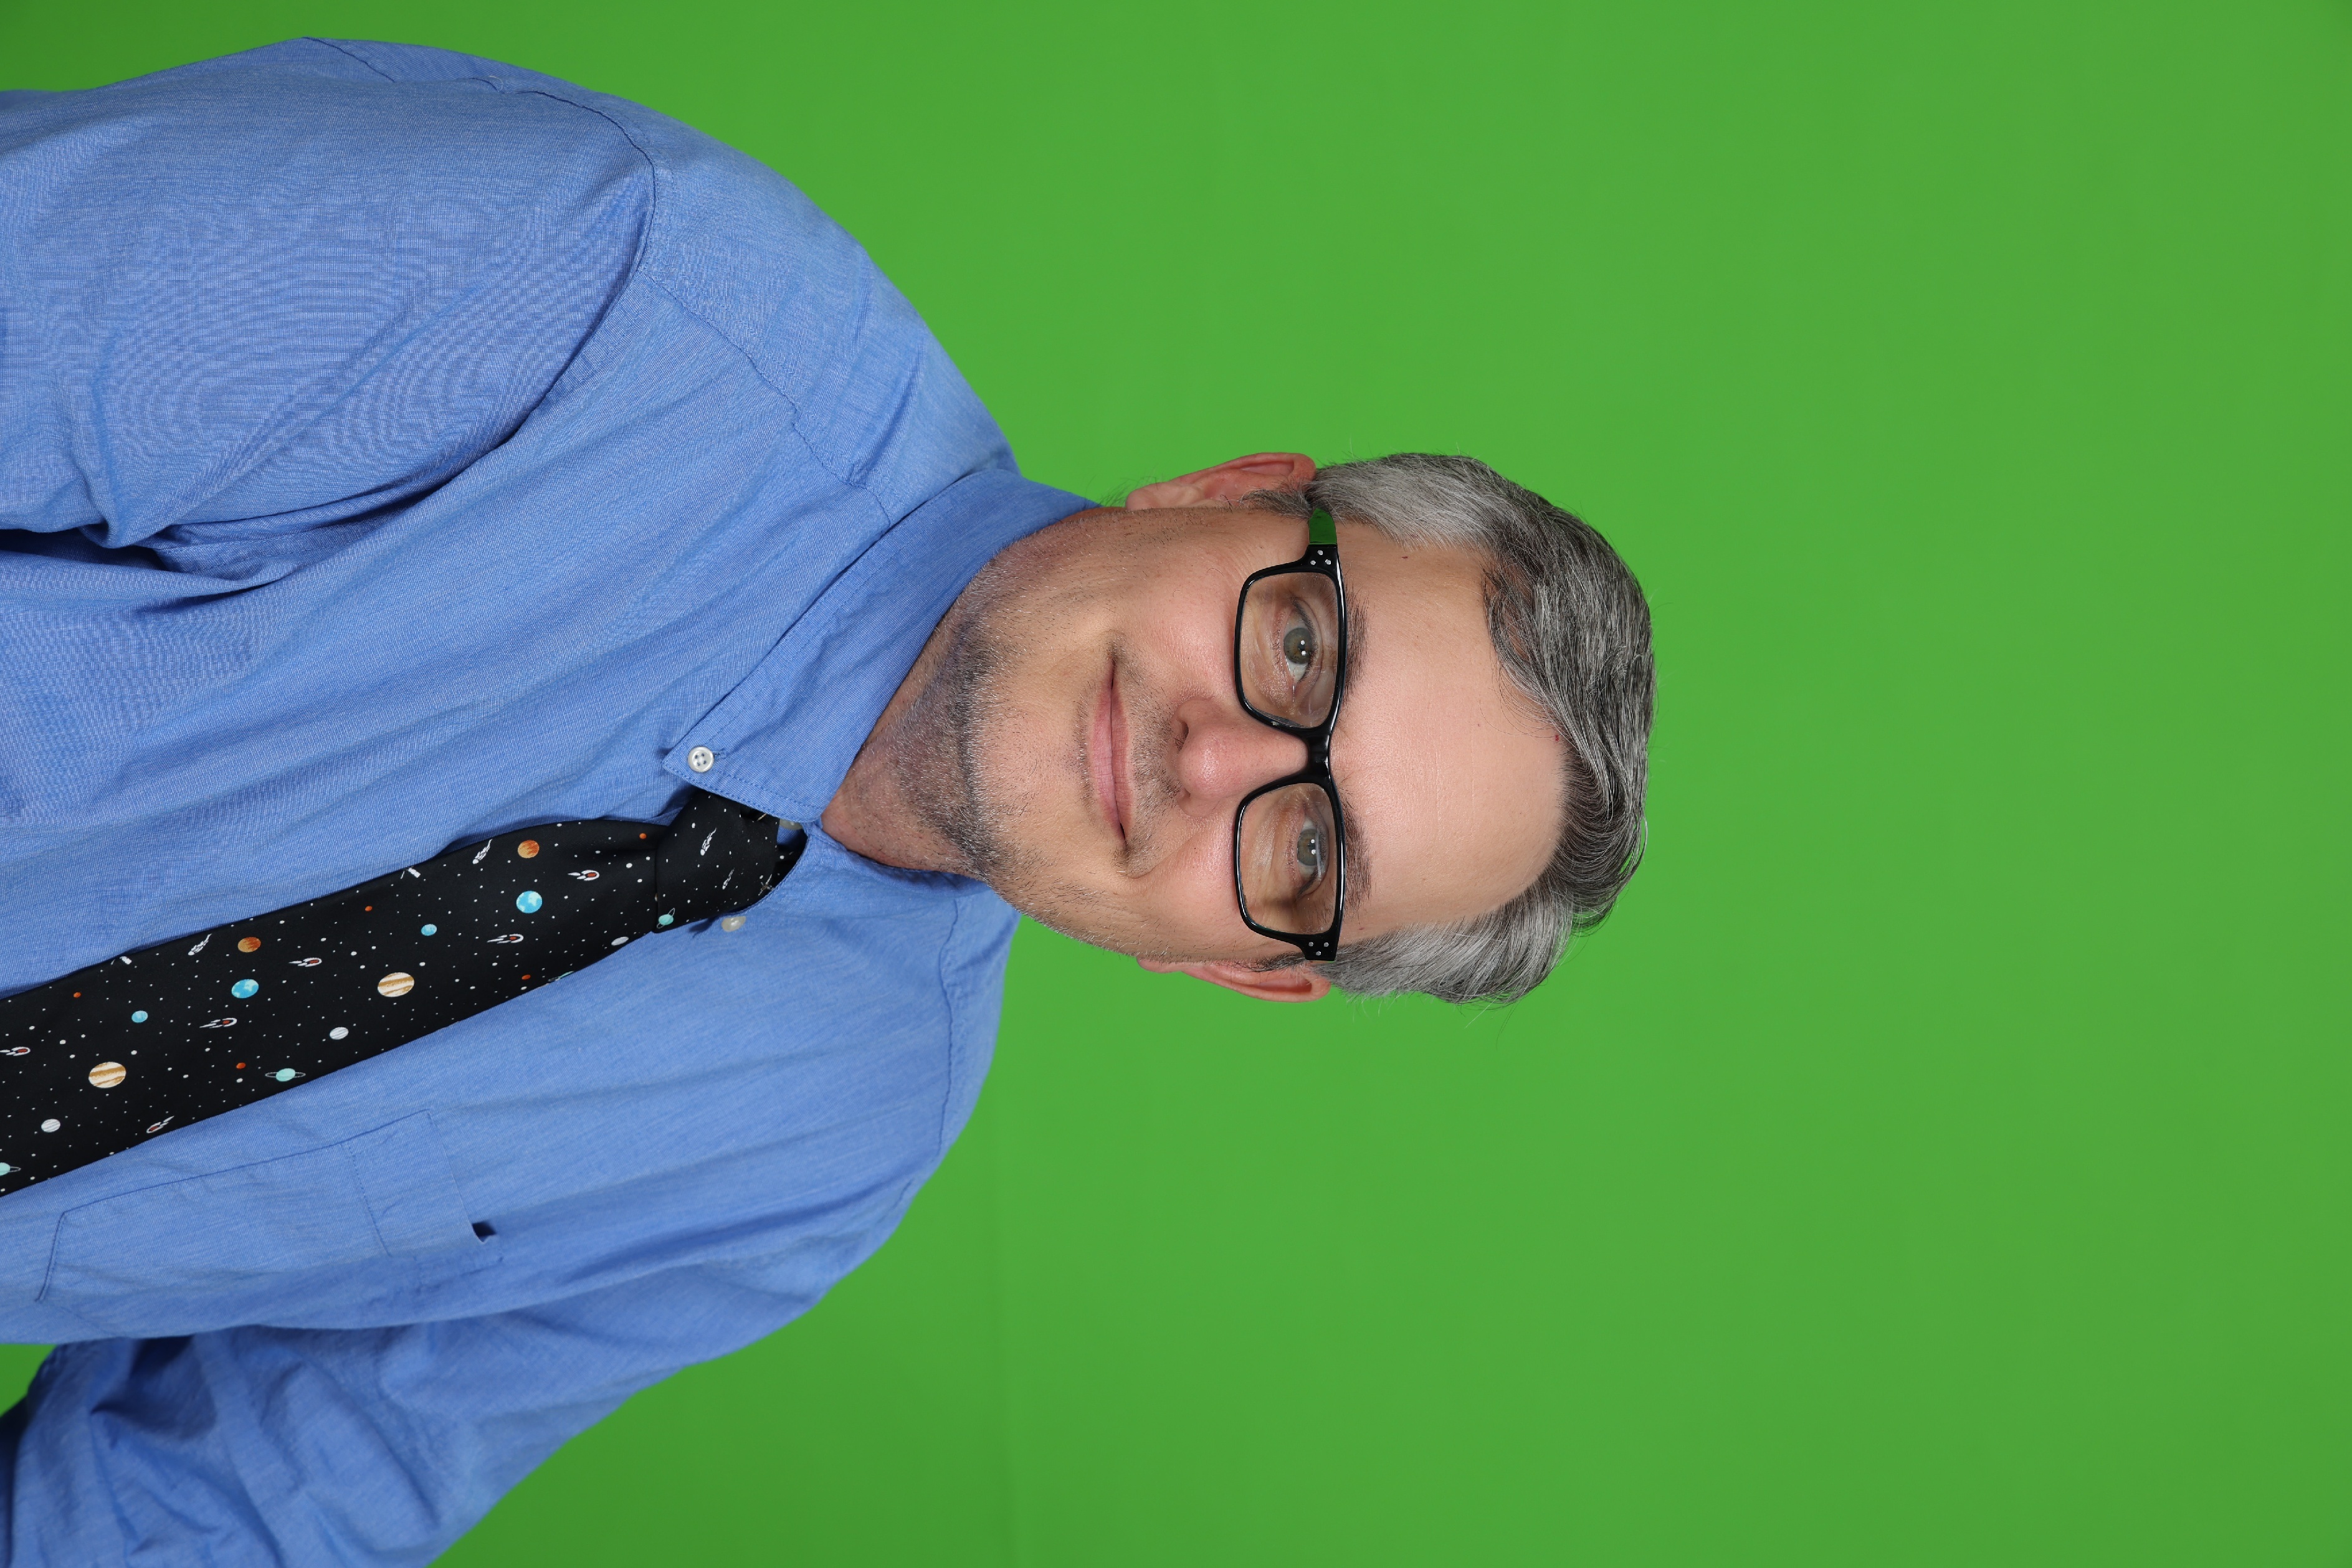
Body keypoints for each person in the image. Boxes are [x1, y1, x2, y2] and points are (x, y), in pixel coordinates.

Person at [0, 37, 1654, 1565]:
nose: (1211, 757)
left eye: (1304, 850)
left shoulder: (829, 1147)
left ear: (1240, 964)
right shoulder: (627, 291)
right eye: (1300, 649)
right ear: (1229, 493)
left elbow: (221, 1493)